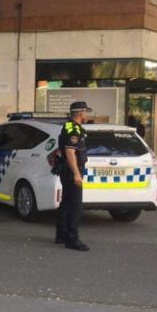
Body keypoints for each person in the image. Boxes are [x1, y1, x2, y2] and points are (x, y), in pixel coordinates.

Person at [56, 101, 91, 251]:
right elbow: (70, 152)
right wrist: (77, 174)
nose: (87, 115)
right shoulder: (73, 129)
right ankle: (72, 239)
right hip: (72, 170)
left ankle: (62, 235)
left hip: (67, 170)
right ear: (80, 113)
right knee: (75, 205)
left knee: (66, 203)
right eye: (86, 112)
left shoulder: (70, 126)